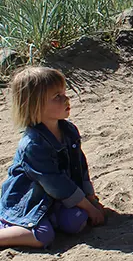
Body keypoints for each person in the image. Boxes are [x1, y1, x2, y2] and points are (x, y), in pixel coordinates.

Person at [0, 67, 104, 249]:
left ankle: (52, 216)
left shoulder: (68, 130)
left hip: (55, 198)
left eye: (64, 93)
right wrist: (88, 207)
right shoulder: (33, 145)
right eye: (57, 96)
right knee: (43, 235)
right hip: (29, 199)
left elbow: (80, 165)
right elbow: (55, 183)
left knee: (76, 222)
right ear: (34, 105)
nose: (66, 99)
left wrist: (90, 197)